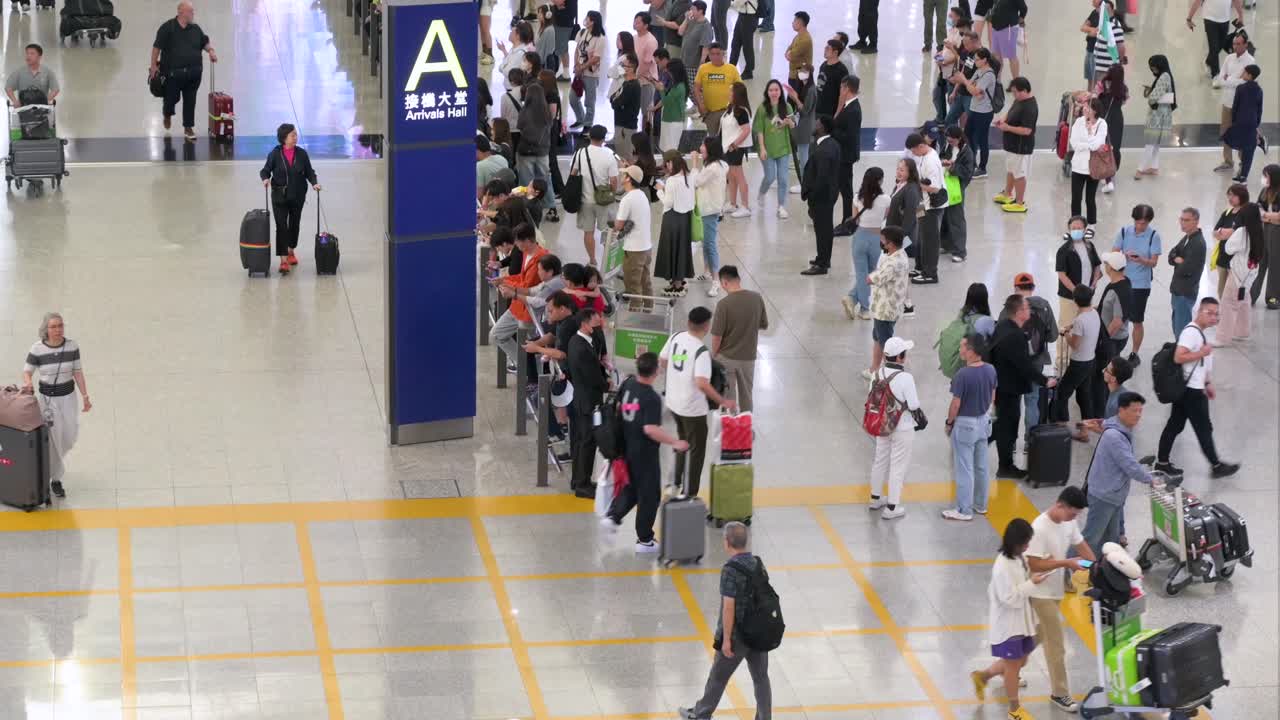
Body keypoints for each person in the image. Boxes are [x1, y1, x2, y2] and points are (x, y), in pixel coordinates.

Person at [679, 522, 773, 720]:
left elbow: (729, 607)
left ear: (727, 542)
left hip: (738, 636)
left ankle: (701, 714)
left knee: (718, 677)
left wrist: (727, 640)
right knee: (761, 678)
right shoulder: (758, 563)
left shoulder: (730, 570)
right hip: (758, 633)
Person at [602, 352, 689, 549]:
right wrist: (675, 442)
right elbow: (650, 429)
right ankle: (645, 540)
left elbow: (618, 408)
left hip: (627, 446)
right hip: (645, 453)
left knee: (632, 488)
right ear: (655, 372)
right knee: (650, 496)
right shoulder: (651, 397)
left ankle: (613, 517)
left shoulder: (629, 384)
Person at [1154, 298, 1242, 479]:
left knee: (1175, 425)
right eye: (1208, 313)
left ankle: (1162, 462)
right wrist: (1201, 353)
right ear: (1198, 312)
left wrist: (1207, 383)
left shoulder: (1198, 333)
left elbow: (1201, 364)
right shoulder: (1191, 333)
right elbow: (1179, 357)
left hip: (1191, 389)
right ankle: (1216, 465)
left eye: (1216, 314)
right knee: (1202, 428)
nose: (1213, 317)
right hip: (1192, 392)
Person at [1025, 487, 1095, 713]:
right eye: (1072, 513)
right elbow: (1034, 565)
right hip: (1040, 592)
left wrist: (1095, 565)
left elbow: (1081, 544)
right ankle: (1060, 693)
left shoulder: (1068, 522)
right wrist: (1066, 563)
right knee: (1056, 645)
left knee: (1036, 634)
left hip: (1055, 590)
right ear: (1059, 505)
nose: (1073, 518)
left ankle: (1006, 667)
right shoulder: (1038, 528)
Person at [970, 518, 1049, 720]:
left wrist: (1033, 577)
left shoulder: (1017, 558)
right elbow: (1009, 599)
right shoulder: (1002, 567)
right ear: (1015, 542)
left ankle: (983, 676)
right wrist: (1031, 584)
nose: (1028, 546)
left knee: (1019, 660)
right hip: (1009, 625)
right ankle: (1014, 710)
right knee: (1013, 666)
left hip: (1022, 621)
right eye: (1025, 543)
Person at [660, 307, 736, 498]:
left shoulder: (676, 337)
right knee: (696, 451)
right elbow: (702, 383)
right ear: (707, 327)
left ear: (688, 322)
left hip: (673, 401)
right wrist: (723, 401)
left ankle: (674, 484)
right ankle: (690, 493)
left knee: (681, 440)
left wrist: (678, 376)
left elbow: (662, 360)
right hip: (693, 409)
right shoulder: (700, 351)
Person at [22, 313, 91, 500]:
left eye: (60, 325)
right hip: (48, 401)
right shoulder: (37, 349)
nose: (58, 329)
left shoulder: (72, 346)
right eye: (53, 326)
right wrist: (28, 383)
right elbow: (27, 371)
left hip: (68, 398)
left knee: (69, 436)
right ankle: (55, 479)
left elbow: (78, 372)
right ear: (46, 329)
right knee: (53, 439)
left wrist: (85, 396)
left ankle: (52, 470)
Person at [1083, 392, 1158, 555]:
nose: (1138, 415)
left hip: (1114, 495)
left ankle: (1102, 572)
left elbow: (1106, 423)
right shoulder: (1114, 436)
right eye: (1134, 411)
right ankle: (1072, 571)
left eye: (1140, 411)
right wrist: (1150, 479)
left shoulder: (1116, 426)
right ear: (1121, 410)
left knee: (1111, 539)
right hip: (1104, 496)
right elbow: (1129, 465)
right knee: (1091, 539)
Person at [991, 294, 1057, 479]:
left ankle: (1004, 463)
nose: (1029, 311)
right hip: (1009, 388)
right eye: (1027, 308)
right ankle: (1005, 466)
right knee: (1007, 427)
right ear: (1019, 312)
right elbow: (1024, 365)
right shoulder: (1016, 336)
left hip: (1002, 385)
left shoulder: (1003, 325)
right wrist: (1045, 380)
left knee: (1005, 424)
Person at [869, 337, 922, 520]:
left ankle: (875, 498)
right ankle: (892, 507)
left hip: (882, 425)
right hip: (902, 427)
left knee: (880, 460)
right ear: (900, 357)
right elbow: (914, 405)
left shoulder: (876, 373)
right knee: (898, 466)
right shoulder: (906, 378)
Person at [943, 334, 995, 521]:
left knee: (964, 467)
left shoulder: (962, 375)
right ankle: (981, 504)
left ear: (971, 350)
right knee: (981, 466)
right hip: (984, 421)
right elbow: (992, 396)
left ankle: (964, 510)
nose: (960, 349)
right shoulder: (990, 369)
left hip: (965, 424)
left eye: (962, 346)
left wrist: (949, 423)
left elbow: (956, 404)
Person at [259, 124, 322, 276]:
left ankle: (291, 250)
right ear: (284, 138)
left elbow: (309, 172)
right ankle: (283, 261)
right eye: (292, 135)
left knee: (294, 225)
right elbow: (265, 170)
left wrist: (314, 183)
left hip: (297, 196)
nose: (295, 137)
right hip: (279, 197)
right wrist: (265, 179)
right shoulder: (275, 154)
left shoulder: (302, 154)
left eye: (295, 134)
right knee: (281, 227)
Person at [150, 2, 218, 141]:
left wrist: (210, 51)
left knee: (190, 101)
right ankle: (167, 113)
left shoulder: (196, 29)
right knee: (171, 99)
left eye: (193, 11)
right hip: (172, 75)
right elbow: (157, 47)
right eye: (190, 11)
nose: (193, 14)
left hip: (193, 73)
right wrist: (153, 66)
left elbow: (204, 42)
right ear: (181, 12)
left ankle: (188, 128)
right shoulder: (167, 28)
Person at [490, 224, 548, 368]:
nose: (515, 245)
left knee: (531, 346)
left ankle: (531, 374)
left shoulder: (540, 259)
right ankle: (526, 368)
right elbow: (522, 278)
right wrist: (504, 280)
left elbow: (527, 287)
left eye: (518, 242)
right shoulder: (526, 254)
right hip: (518, 306)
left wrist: (508, 286)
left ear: (528, 240)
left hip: (529, 310)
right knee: (497, 335)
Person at [711, 265, 768, 412]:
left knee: (728, 397)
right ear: (739, 279)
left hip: (727, 357)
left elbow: (717, 336)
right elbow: (763, 325)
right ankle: (745, 427)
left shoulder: (723, 305)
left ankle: (731, 427)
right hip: (748, 357)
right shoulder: (756, 298)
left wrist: (714, 354)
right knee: (747, 395)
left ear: (724, 283)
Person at [1007, 273, 1056, 440]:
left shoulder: (1009, 308)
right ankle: (1030, 441)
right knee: (1032, 400)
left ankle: (1011, 442)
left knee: (1013, 404)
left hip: (1013, 365)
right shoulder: (1044, 306)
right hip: (1037, 362)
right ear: (1033, 288)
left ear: (1016, 289)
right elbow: (1053, 336)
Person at [1112, 204, 1162, 367]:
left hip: (1141, 285)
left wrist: (1141, 260)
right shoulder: (1124, 232)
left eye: (1144, 223)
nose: (1140, 226)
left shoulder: (1154, 236)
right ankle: (1115, 351)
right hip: (1122, 282)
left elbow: (1154, 262)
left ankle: (1134, 353)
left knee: (1137, 320)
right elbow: (1114, 253)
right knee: (1118, 318)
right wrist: (1122, 255)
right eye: (1138, 222)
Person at [567, 309, 609, 497]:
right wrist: (607, 384)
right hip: (588, 401)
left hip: (580, 399)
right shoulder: (582, 349)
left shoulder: (576, 342)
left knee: (579, 441)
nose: (598, 326)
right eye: (595, 323)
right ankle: (583, 485)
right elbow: (593, 377)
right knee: (588, 442)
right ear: (584, 324)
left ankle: (578, 479)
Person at [1054, 217, 1102, 367]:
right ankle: (1062, 361)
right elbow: (1061, 274)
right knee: (1066, 326)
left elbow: (1097, 266)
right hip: (1069, 298)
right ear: (1069, 229)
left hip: (1086, 296)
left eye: (1079, 228)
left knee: (1083, 326)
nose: (1076, 230)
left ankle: (1078, 356)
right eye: (1073, 228)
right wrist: (1076, 291)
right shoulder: (1064, 250)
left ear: (1085, 229)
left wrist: (1093, 284)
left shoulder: (1089, 246)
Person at [864, 227, 910, 379]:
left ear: (890, 244)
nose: (881, 243)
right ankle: (874, 369)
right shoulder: (901, 254)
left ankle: (890, 375)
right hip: (888, 308)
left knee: (886, 345)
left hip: (885, 310)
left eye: (883, 241)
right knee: (878, 338)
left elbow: (873, 279)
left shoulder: (893, 263)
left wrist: (870, 277)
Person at [843, 168, 889, 319]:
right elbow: (885, 219)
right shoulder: (886, 199)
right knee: (872, 274)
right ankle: (863, 308)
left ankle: (853, 299)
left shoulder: (857, 198)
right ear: (880, 181)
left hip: (859, 237)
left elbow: (855, 219)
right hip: (876, 238)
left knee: (861, 274)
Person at [1089, 252, 1132, 416]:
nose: (1104, 266)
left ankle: (1100, 412)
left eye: (1106, 263)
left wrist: (1102, 340)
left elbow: (1117, 321)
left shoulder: (1118, 290)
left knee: (1103, 376)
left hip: (1111, 340)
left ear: (1110, 268)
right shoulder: (1122, 282)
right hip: (1114, 338)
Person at [571, 125, 620, 266]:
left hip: (585, 200)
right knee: (609, 232)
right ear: (604, 138)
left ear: (589, 136)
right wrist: (611, 192)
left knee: (588, 232)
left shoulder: (580, 153)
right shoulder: (609, 155)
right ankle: (609, 262)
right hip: (604, 200)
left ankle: (592, 260)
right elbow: (614, 181)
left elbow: (573, 174)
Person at [1053, 286, 1099, 429]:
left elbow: (1075, 344)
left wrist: (1065, 332)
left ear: (1075, 301)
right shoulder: (1094, 313)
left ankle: (1061, 425)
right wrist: (1071, 326)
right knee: (1084, 395)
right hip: (1090, 360)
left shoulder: (1080, 320)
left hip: (1078, 363)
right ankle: (1085, 431)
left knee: (1062, 392)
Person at [1217, 203, 1262, 343]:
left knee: (1228, 303)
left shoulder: (1241, 231)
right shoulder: (1259, 231)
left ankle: (1222, 338)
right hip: (1251, 272)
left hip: (1237, 272)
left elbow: (1229, 249)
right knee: (1244, 301)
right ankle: (1242, 332)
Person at [1213, 31, 1256, 175]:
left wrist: (1229, 80)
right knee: (1225, 131)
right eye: (1234, 44)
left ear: (1245, 44)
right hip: (1227, 102)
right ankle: (1227, 161)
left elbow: (1246, 82)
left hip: (1241, 105)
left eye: (1238, 44)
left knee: (1241, 134)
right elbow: (1220, 79)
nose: (1235, 46)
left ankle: (1243, 162)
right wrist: (1232, 80)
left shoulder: (1250, 61)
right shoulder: (1229, 58)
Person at [992, 77, 1037, 214]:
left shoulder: (1030, 107)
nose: (1014, 95)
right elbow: (1010, 112)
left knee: (1019, 174)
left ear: (1024, 90)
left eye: (1016, 92)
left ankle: (1019, 202)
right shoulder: (1019, 100)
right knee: (1011, 169)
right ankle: (1007, 193)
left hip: (1020, 147)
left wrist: (1007, 128)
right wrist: (1003, 119)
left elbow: (1027, 130)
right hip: (1012, 145)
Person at [655, 152, 697, 297]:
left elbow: (668, 202)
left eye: (667, 162)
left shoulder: (673, 180)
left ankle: (676, 285)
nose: (666, 166)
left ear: (671, 162)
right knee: (681, 250)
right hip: (685, 218)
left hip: (672, 218)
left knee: (671, 249)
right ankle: (679, 280)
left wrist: (659, 191)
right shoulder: (689, 176)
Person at [906, 132, 946, 284]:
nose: (913, 154)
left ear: (921, 146)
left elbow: (935, 188)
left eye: (914, 150)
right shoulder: (924, 155)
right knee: (920, 235)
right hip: (922, 203)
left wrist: (915, 185)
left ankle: (930, 273)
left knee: (930, 239)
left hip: (931, 207)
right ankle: (920, 266)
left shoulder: (931, 161)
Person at [754, 80, 797, 219]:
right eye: (771, 90)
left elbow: (793, 126)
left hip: (783, 148)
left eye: (776, 90)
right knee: (770, 176)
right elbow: (759, 130)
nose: (774, 92)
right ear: (767, 92)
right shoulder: (762, 108)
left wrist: (789, 122)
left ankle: (781, 206)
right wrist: (762, 148)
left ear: (780, 92)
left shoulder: (787, 107)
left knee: (783, 179)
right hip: (767, 149)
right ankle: (761, 193)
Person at [692, 138, 729, 296]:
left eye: (703, 145)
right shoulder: (721, 165)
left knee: (710, 245)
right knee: (706, 243)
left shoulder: (712, 168)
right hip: (711, 209)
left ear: (710, 149)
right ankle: (707, 272)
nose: (700, 148)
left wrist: (694, 163)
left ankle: (716, 281)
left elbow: (696, 181)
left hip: (709, 211)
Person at [615, 165, 654, 305]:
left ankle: (636, 317)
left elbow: (618, 225)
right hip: (646, 247)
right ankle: (649, 309)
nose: (621, 176)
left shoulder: (627, 199)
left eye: (623, 174)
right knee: (645, 282)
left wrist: (615, 225)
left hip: (634, 250)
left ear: (628, 179)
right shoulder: (642, 194)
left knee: (633, 285)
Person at [831, 77, 864, 236]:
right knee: (843, 188)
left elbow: (848, 136)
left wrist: (832, 130)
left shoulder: (853, 110)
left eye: (841, 88)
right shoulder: (848, 106)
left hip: (845, 156)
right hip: (843, 154)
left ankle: (847, 222)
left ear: (847, 89)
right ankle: (847, 220)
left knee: (846, 190)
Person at [1135, 55, 1177, 180]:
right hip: (1163, 114)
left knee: (1150, 142)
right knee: (1155, 143)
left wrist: (1150, 95)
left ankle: (1140, 169)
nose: (1152, 70)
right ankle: (1154, 167)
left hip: (1158, 116)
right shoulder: (1166, 75)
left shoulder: (1163, 77)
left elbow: (1154, 97)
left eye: (1153, 68)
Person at [957, 49, 998, 179]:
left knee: (982, 140)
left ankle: (982, 167)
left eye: (977, 59)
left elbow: (975, 91)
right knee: (968, 136)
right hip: (974, 109)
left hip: (984, 112)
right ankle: (971, 162)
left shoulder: (988, 74)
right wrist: (973, 87)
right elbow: (973, 90)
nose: (975, 61)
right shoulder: (978, 71)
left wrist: (965, 81)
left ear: (984, 59)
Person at [1068, 98, 1109, 227]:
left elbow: (1098, 145)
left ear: (1095, 110)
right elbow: (1074, 143)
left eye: (1088, 107)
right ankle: (1076, 225)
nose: (1084, 109)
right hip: (1078, 167)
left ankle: (1092, 225)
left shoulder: (1102, 124)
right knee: (1075, 199)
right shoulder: (1079, 122)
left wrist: (1090, 132)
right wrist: (1089, 144)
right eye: (1084, 107)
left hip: (1093, 167)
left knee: (1090, 199)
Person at [1168, 208, 1207, 335]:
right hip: (1178, 291)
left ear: (1196, 221)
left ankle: (1183, 354)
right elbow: (1171, 255)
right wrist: (1176, 259)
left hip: (1185, 293)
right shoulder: (1187, 238)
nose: (1182, 223)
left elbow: (1185, 269)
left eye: (1187, 220)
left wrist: (1179, 261)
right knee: (1176, 327)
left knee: (1182, 332)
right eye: (1181, 219)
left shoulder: (1198, 243)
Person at [1223, 64, 1263, 183]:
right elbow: (1259, 108)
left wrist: (1234, 120)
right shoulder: (1259, 90)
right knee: (1248, 150)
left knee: (1233, 140)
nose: (1242, 73)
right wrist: (1257, 123)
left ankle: (1243, 176)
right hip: (1251, 123)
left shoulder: (1241, 88)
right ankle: (1243, 175)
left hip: (1240, 122)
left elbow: (1235, 106)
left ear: (1250, 75)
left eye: (1244, 72)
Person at [1186, 0, 1246, 79]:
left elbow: (1236, 1)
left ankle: (1208, 61)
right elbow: (1198, 1)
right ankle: (1216, 75)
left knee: (1220, 46)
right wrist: (1189, 18)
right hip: (1209, 18)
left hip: (1225, 19)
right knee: (1214, 47)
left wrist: (1240, 15)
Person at [721, 82, 754, 218]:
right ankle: (733, 203)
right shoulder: (731, 108)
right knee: (731, 176)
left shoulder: (741, 111)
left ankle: (745, 206)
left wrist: (734, 144)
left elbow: (746, 130)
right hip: (728, 147)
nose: (728, 93)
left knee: (739, 176)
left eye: (731, 91)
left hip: (736, 148)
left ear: (737, 94)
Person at [694, 43, 741, 137]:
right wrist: (700, 105)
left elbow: (740, 89)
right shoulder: (703, 68)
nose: (715, 56)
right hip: (710, 112)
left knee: (728, 138)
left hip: (728, 112)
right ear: (709, 55)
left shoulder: (731, 69)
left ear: (723, 54)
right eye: (712, 54)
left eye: (718, 54)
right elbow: (696, 88)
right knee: (713, 139)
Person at [784, 65, 818, 195]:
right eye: (799, 71)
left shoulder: (811, 90)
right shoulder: (805, 88)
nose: (800, 73)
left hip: (806, 127)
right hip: (803, 124)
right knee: (802, 155)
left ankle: (804, 183)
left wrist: (795, 98)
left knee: (804, 157)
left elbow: (805, 111)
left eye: (804, 71)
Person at [571, 11, 607, 129]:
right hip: (579, 71)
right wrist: (576, 65)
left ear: (593, 22)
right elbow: (577, 49)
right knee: (573, 98)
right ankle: (580, 118)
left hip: (591, 74)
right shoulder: (583, 32)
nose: (585, 20)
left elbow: (596, 58)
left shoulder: (600, 38)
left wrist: (582, 67)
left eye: (588, 19)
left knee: (589, 102)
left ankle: (588, 124)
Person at [1082, 0, 1126, 84]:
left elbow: (1121, 46)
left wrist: (1120, 61)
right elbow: (1087, 30)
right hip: (1099, 64)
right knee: (1097, 87)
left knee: (1103, 88)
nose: (1097, 10)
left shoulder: (1115, 25)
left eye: (1100, 9)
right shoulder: (1104, 23)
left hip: (1107, 67)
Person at [611, 52, 643, 160]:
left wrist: (615, 100)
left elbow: (616, 103)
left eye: (623, 65)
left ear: (631, 68)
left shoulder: (632, 86)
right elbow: (613, 97)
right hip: (621, 125)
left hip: (625, 127)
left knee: (625, 157)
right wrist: (615, 100)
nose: (621, 68)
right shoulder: (626, 83)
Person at [1257, 164, 1280, 309]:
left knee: (1275, 264)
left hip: (1277, 232)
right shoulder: (1265, 191)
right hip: (1265, 229)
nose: (1264, 179)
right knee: (1260, 262)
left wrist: (1266, 216)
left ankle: (1273, 297)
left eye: (1266, 176)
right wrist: (1270, 217)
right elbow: (1258, 208)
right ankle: (1251, 295)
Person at [987, 0, 1026, 78]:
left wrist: (1020, 19)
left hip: (1008, 28)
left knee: (1011, 56)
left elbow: (1024, 8)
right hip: (996, 28)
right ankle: (997, 80)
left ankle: (1016, 83)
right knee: (996, 55)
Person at [659, 60, 691, 152]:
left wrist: (661, 90)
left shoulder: (679, 87)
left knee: (671, 150)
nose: (667, 73)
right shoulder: (678, 85)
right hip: (669, 119)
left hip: (673, 122)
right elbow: (670, 98)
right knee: (666, 148)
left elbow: (666, 101)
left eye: (669, 71)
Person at [815, 39, 849, 117]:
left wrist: (837, 113)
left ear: (835, 52)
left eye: (828, 48)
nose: (825, 50)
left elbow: (843, 94)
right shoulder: (823, 65)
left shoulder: (841, 70)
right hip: (818, 109)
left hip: (830, 112)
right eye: (825, 48)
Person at [728, 0, 759, 79]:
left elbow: (737, 3)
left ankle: (749, 71)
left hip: (749, 18)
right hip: (742, 16)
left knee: (747, 46)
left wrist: (726, 4)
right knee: (735, 43)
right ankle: (731, 67)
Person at [784, 12, 814, 95]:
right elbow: (787, 52)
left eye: (794, 20)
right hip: (794, 75)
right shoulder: (798, 36)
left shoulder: (805, 40)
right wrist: (789, 53)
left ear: (800, 23)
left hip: (800, 77)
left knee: (797, 100)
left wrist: (789, 53)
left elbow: (790, 56)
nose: (792, 23)